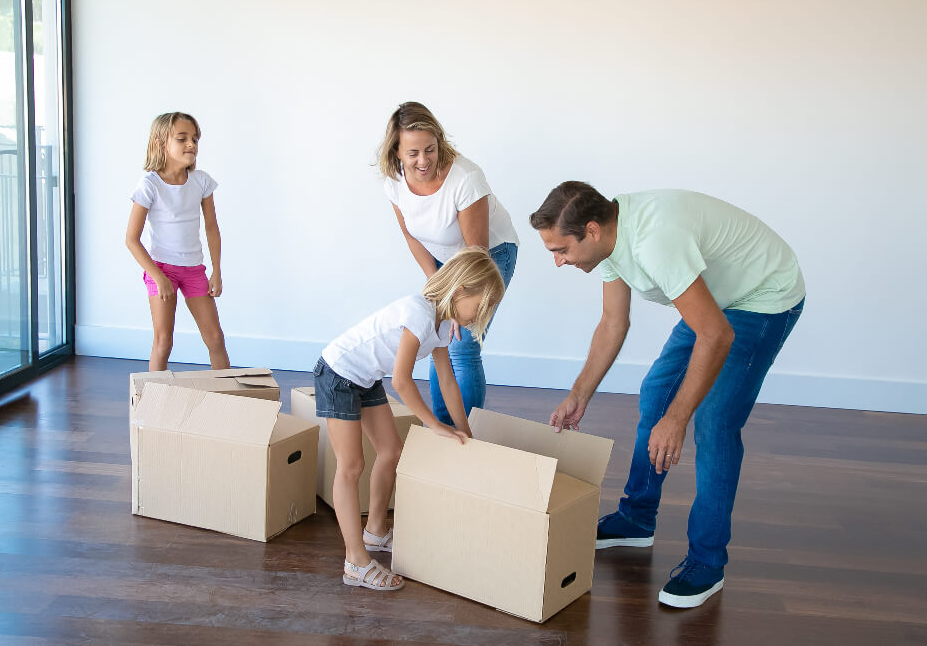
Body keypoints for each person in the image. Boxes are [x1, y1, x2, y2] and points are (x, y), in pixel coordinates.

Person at [530, 183, 805, 609]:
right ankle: (637, 518)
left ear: (591, 230)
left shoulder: (655, 242)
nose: (558, 261)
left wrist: (677, 421)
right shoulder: (608, 242)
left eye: (561, 249)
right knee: (658, 391)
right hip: (718, 299)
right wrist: (579, 394)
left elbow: (715, 334)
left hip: (763, 296)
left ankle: (708, 562)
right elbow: (612, 323)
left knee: (714, 421)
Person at [314, 247, 505, 591]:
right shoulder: (418, 312)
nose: (483, 316)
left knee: (391, 451)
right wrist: (434, 424)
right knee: (351, 466)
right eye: (482, 306)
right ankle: (355, 562)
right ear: (461, 290)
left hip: (366, 378)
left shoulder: (444, 325)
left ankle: (374, 532)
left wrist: (464, 430)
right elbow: (401, 380)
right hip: (338, 374)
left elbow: (447, 380)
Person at [378, 101, 519, 427]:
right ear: (397, 151)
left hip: (487, 256)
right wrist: (436, 287)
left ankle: (464, 435)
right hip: (443, 259)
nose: (423, 160)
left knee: (461, 347)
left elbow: (476, 253)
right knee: (436, 337)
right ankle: (444, 431)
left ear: (439, 141)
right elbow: (412, 237)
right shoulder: (394, 181)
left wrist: (453, 295)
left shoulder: (465, 178)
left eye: (430, 149)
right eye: (413, 153)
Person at [125, 112, 230, 371]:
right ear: (161, 143)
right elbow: (131, 239)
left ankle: (229, 403)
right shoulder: (150, 185)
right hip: (161, 269)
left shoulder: (201, 181)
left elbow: (212, 228)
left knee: (215, 338)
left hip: (194, 270)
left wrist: (216, 271)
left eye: (194, 139)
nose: (191, 144)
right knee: (163, 342)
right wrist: (157, 277)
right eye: (182, 139)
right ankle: (151, 408)